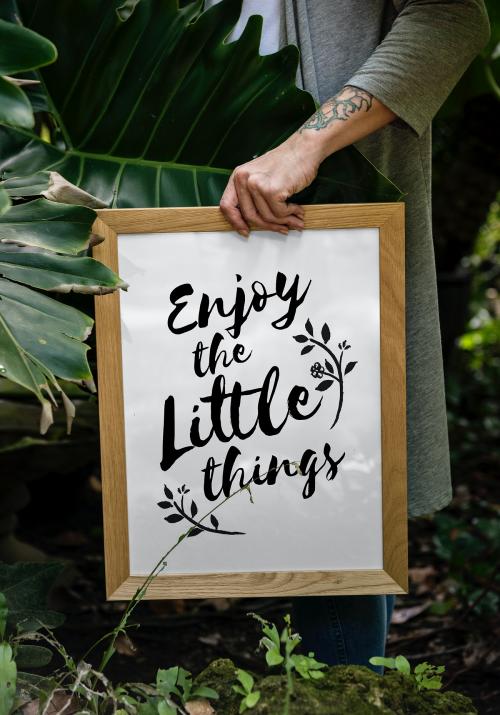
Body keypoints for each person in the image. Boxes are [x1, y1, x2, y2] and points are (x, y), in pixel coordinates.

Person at [207, 0, 491, 672]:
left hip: (322, 205)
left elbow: (453, 19)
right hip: (207, 209)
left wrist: (306, 144)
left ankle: (350, 686)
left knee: (336, 479)